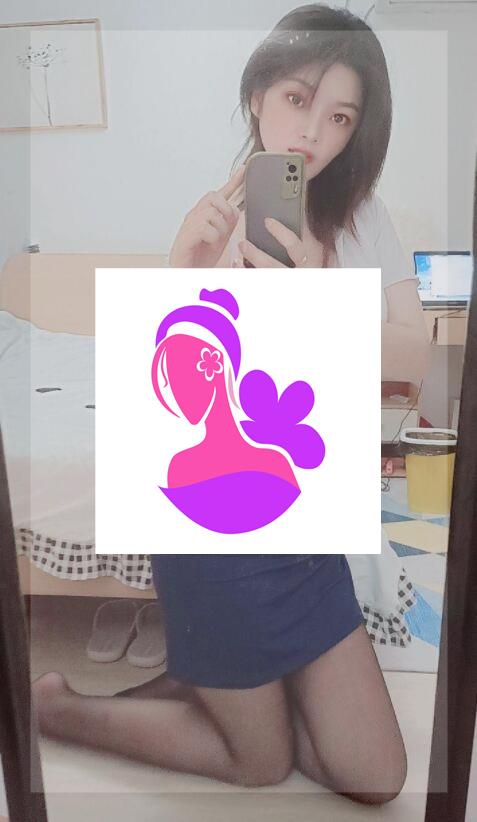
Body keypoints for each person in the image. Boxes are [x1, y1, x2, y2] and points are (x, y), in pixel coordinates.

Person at [32, 4, 431, 805]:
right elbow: (161, 405)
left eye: (340, 116)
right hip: (214, 530)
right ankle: (58, 708)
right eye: (297, 99)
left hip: (306, 524)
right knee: (259, 764)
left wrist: (317, 301)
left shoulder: (363, 216)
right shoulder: (212, 224)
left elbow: (414, 362)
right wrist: (181, 270)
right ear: (257, 96)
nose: (312, 132)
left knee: (377, 775)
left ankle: (217, 691)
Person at [150, 286, 325, 533]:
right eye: (169, 377)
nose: (175, 389)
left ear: (216, 365)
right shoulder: (179, 467)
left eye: (181, 372)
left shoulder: (274, 465)